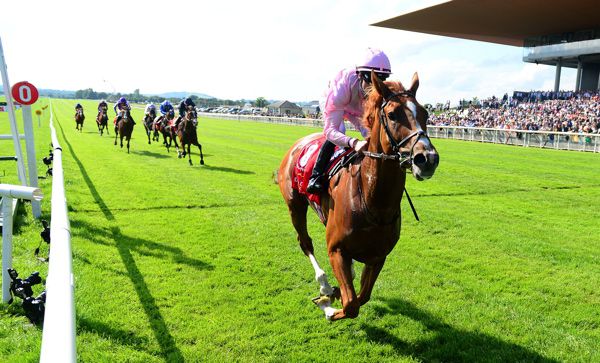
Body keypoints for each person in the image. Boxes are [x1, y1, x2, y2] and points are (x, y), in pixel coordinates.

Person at [306, 48, 392, 194]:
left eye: (379, 82)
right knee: (339, 132)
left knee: (368, 133)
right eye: (371, 82)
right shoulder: (341, 87)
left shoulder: (377, 91)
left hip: (355, 106)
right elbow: (329, 131)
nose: (374, 89)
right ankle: (315, 177)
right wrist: (354, 142)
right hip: (336, 102)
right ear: (361, 76)